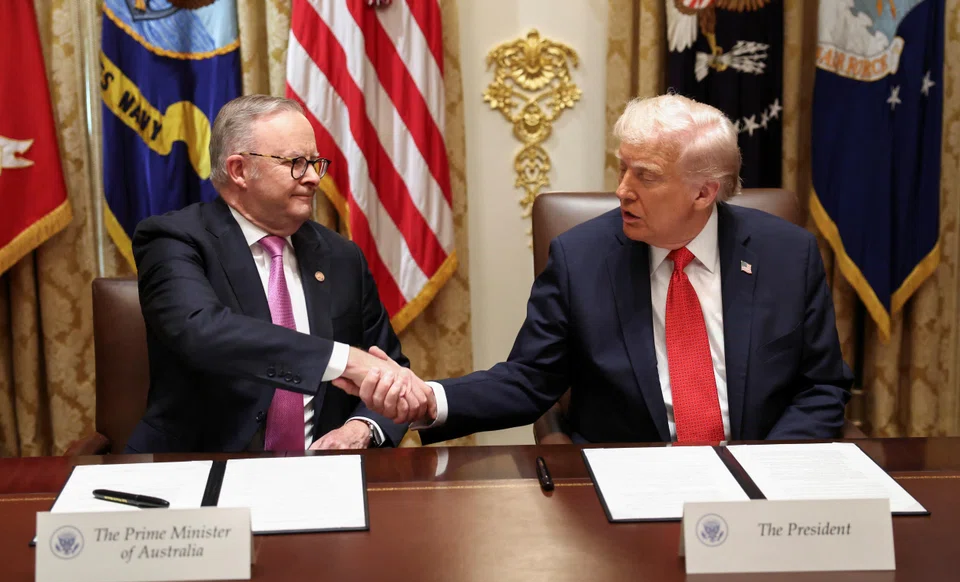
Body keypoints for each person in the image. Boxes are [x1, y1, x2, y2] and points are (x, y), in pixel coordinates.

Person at [360, 94, 852, 444]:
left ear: (705, 192)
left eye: (647, 176)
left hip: (759, 483)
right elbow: (529, 380)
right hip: (628, 486)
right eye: (623, 168)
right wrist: (430, 399)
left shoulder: (788, 254)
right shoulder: (582, 258)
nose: (622, 190)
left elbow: (822, 386)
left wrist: (769, 470)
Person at [127, 95, 428, 453]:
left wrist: (361, 428)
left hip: (322, 478)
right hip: (199, 471)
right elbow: (201, 331)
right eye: (297, 163)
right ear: (239, 170)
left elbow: (388, 369)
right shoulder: (174, 239)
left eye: (316, 162)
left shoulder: (340, 256)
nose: (314, 178)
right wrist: (343, 360)